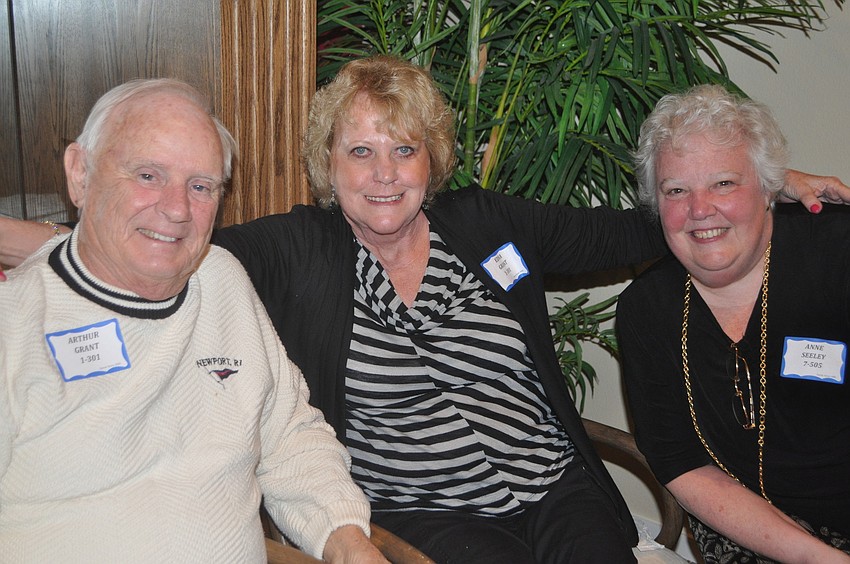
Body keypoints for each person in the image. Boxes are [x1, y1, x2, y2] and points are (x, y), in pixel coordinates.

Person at [2, 57, 849, 563]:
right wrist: (39, 236)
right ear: (326, 165)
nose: (382, 172)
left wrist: (775, 183)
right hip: (428, 512)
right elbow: (157, 239)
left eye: (403, 149)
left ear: (431, 158)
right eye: (359, 151)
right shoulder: (294, 250)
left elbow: (658, 219)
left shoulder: (487, 226)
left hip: (556, 484)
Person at [0, 78, 388, 564]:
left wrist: (346, 541)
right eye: (148, 175)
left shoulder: (221, 280)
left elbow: (289, 436)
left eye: (200, 186)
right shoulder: (14, 323)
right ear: (80, 173)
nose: (177, 209)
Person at [617, 84, 850, 563]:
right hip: (749, 531)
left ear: (771, 187)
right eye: (676, 190)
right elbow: (680, 462)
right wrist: (815, 557)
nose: (700, 210)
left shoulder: (837, 254)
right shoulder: (648, 310)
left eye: (724, 183)